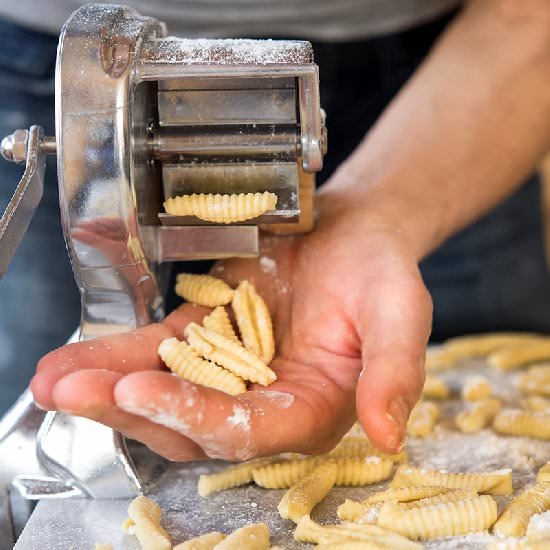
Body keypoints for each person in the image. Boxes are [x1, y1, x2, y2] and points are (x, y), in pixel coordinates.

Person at [4, 0, 550, 461]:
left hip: (457, 66)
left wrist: (380, 208)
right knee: (62, 430)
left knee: (478, 380)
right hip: (69, 69)